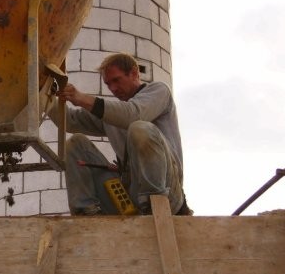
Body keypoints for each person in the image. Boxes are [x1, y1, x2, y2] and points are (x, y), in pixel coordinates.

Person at [49, 52, 192, 216]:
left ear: (134, 73)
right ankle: (86, 213)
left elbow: (133, 114)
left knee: (140, 128)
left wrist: (81, 98)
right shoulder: (113, 114)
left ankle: (152, 204)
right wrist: (44, 94)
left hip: (167, 193)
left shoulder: (159, 91)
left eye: (116, 80)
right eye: (108, 84)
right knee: (75, 144)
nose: (113, 89)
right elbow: (71, 121)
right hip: (130, 196)